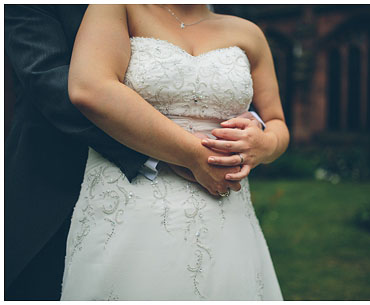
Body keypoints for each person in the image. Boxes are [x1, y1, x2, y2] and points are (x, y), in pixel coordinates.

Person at [4, 5, 254, 300]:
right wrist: (182, 150)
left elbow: (223, 74)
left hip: (211, 197)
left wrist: (251, 132)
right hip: (56, 184)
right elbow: (48, 79)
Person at [57, 4, 288, 300]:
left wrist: (264, 145)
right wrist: (195, 155)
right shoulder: (119, 7)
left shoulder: (248, 32)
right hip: (132, 204)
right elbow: (90, 88)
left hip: (225, 212)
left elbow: (277, 122)